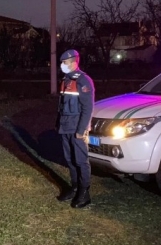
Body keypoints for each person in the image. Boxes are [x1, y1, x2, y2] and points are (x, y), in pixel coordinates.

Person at [55, 49, 95, 209]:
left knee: (80, 161)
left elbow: (88, 108)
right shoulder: (65, 80)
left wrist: (82, 130)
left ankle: (84, 193)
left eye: (64, 63)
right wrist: (58, 123)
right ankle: (75, 187)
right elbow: (62, 106)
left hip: (77, 128)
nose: (62, 65)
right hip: (65, 127)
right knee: (70, 160)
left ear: (74, 62)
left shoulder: (83, 81)